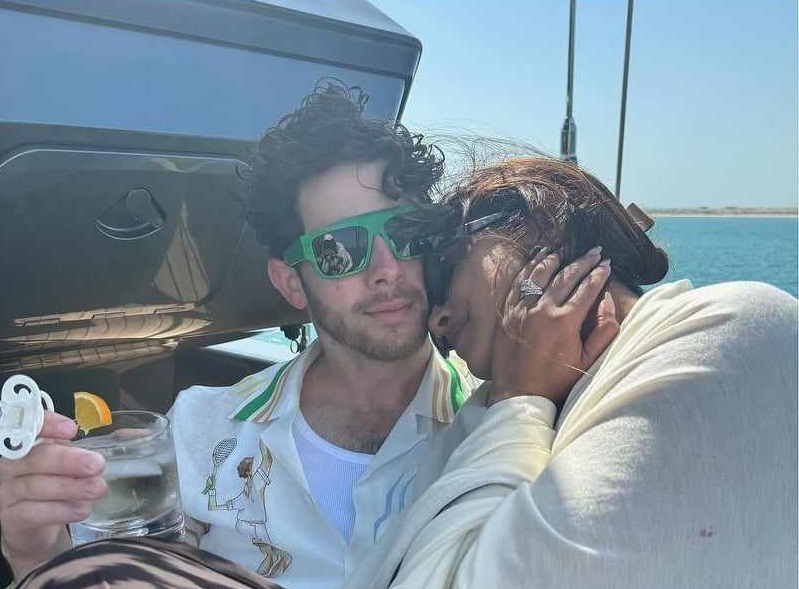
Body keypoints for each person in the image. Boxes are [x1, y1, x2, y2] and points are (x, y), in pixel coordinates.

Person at [0, 85, 612, 588]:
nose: (386, 269)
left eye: (403, 231)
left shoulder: (507, 427)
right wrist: (35, 550)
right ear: (291, 283)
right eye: (339, 249)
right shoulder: (198, 433)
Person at [346, 156, 798, 588]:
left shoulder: (730, 326)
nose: (436, 320)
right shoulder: (482, 415)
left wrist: (519, 401)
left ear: (543, 224)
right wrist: (519, 398)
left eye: (445, 270)